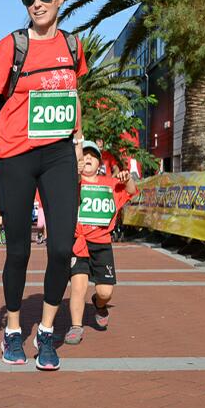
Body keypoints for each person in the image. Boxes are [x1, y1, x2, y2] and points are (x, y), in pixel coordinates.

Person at [0, 0, 88, 370]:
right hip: (16, 155)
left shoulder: (73, 46)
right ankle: (11, 329)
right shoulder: (12, 46)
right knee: (18, 248)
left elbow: (73, 95)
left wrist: (78, 141)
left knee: (61, 248)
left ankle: (46, 332)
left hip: (57, 153)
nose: (36, 3)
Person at [65, 141, 137, 345]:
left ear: (99, 162)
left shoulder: (110, 183)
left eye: (92, 156)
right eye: (83, 155)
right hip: (78, 243)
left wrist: (127, 178)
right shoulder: (72, 182)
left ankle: (99, 304)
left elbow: (131, 191)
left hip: (102, 244)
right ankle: (76, 327)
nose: (87, 158)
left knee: (105, 292)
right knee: (78, 288)